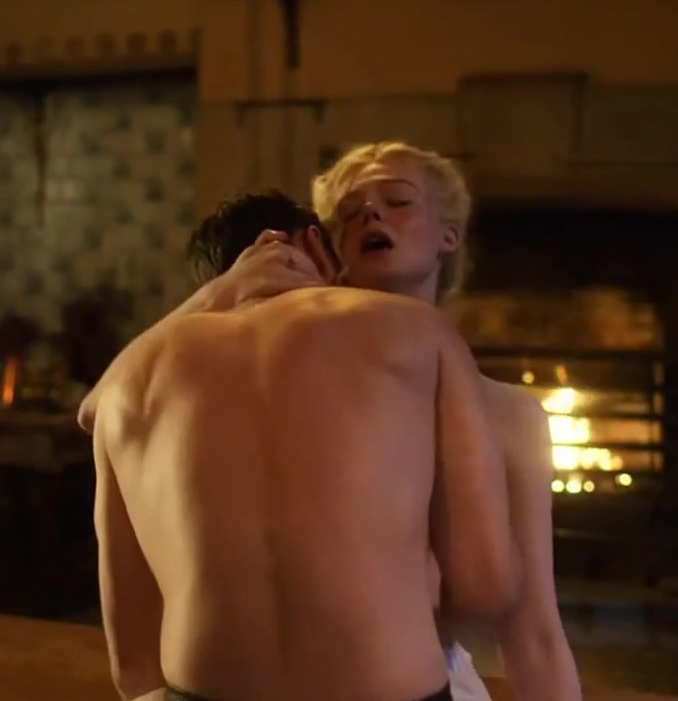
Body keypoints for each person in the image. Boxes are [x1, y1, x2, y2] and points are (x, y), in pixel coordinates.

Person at [85, 191, 521, 701]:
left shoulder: (126, 382)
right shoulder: (417, 328)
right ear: (315, 245)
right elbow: (483, 585)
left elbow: (133, 665)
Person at [303, 141, 581, 701]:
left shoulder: (508, 415)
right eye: (349, 213)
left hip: (432, 682)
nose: (371, 215)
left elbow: (533, 631)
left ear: (447, 236)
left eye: (397, 201)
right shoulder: (296, 392)